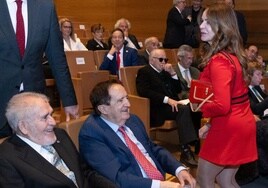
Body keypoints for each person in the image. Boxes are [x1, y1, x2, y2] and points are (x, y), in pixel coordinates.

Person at [79, 80, 196, 188]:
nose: (128, 104)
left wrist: (179, 169)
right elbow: (116, 178)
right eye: (120, 100)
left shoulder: (132, 120)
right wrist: (159, 185)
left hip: (159, 181)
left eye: (126, 98)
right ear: (104, 109)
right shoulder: (91, 134)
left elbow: (153, 149)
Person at [195, 3, 257, 187]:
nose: (201, 26)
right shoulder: (232, 56)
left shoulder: (219, 61)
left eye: (208, 22)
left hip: (229, 126)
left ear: (222, 26)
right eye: (202, 21)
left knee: (204, 179)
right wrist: (210, 125)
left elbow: (222, 105)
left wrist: (201, 107)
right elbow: (232, 99)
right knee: (226, 179)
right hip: (240, 122)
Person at [0, 92, 117, 188]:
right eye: (45, 117)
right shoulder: (6, 158)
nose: (53, 122)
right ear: (23, 127)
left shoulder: (60, 135)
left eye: (51, 114)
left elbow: (85, 173)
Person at [0, 0, 78, 138]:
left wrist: (69, 100)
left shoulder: (45, 7)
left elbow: (57, 57)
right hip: (2, 97)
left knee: (33, 154)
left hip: (34, 101)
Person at [136, 49, 198, 167]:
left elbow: (178, 90)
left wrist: (173, 73)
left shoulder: (164, 72)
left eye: (165, 59)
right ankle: (185, 150)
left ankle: (193, 143)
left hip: (171, 105)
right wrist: (166, 99)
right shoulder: (144, 71)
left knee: (192, 106)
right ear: (152, 60)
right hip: (156, 108)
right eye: (161, 59)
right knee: (183, 109)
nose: (164, 62)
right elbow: (144, 91)